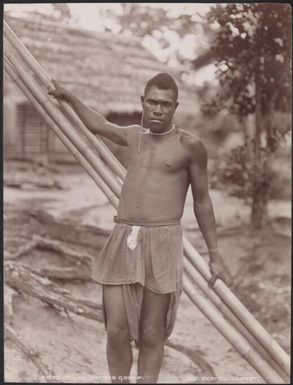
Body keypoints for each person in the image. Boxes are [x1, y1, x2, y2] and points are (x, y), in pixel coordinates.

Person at [48, 73, 231, 383]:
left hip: (162, 242)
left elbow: (202, 202)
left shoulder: (190, 146)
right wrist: (68, 96)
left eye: (165, 104)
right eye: (152, 103)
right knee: (115, 328)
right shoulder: (135, 135)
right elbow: (99, 125)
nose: (158, 109)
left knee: (150, 332)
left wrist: (214, 253)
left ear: (175, 106)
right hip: (123, 238)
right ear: (142, 103)